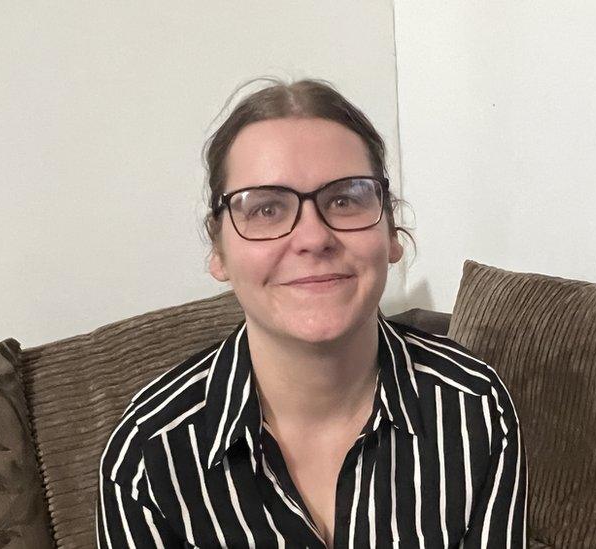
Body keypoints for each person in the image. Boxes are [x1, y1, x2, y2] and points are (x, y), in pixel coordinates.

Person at [96, 78, 527, 548]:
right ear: (218, 251)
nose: (313, 238)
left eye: (344, 199)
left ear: (391, 234)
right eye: (266, 209)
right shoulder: (145, 458)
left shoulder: (475, 408)